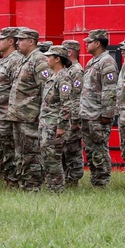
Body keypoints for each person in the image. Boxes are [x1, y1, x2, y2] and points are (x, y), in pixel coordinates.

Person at [9, 28, 49, 191]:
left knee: (31, 153)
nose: (17, 43)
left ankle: (33, 186)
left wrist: (42, 112)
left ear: (31, 42)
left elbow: (47, 88)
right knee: (21, 153)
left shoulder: (39, 60)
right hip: (20, 115)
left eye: (21, 40)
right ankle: (25, 183)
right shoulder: (25, 59)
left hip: (30, 116)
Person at [79, 29, 119, 187]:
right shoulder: (93, 61)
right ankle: (96, 181)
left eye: (89, 42)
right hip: (88, 114)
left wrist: (107, 114)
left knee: (99, 149)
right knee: (91, 150)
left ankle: (102, 183)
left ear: (97, 43)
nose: (87, 44)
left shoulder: (107, 62)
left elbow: (110, 90)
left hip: (97, 115)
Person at [0, 27, 25, 188]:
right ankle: (9, 180)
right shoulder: (3, 61)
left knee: (10, 151)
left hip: (7, 115)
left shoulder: (16, 60)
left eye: (1, 40)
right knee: (2, 151)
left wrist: (11, 113)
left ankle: (13, 182)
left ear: (11, 41)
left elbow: (16, 90)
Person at [39, 45, 75, 192]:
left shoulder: (64, 77)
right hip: (47, 124)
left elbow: (66, 104)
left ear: (57, 59)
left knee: (53, 158)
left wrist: (61, 125)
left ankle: (57, 189)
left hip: (54, 126)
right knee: (47, 157)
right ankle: (51, 187)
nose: (47, 59)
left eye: (49, 57)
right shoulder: (53, 77)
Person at [60, 40, 84, 187]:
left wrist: (75, 120)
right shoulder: (67, 69)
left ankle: (73, 181)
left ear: (69, 52)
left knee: (72, 151)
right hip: (66, 117)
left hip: (72, 118)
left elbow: (76, 97)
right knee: (65, 150)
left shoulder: (76, 71)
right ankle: (67, 179)